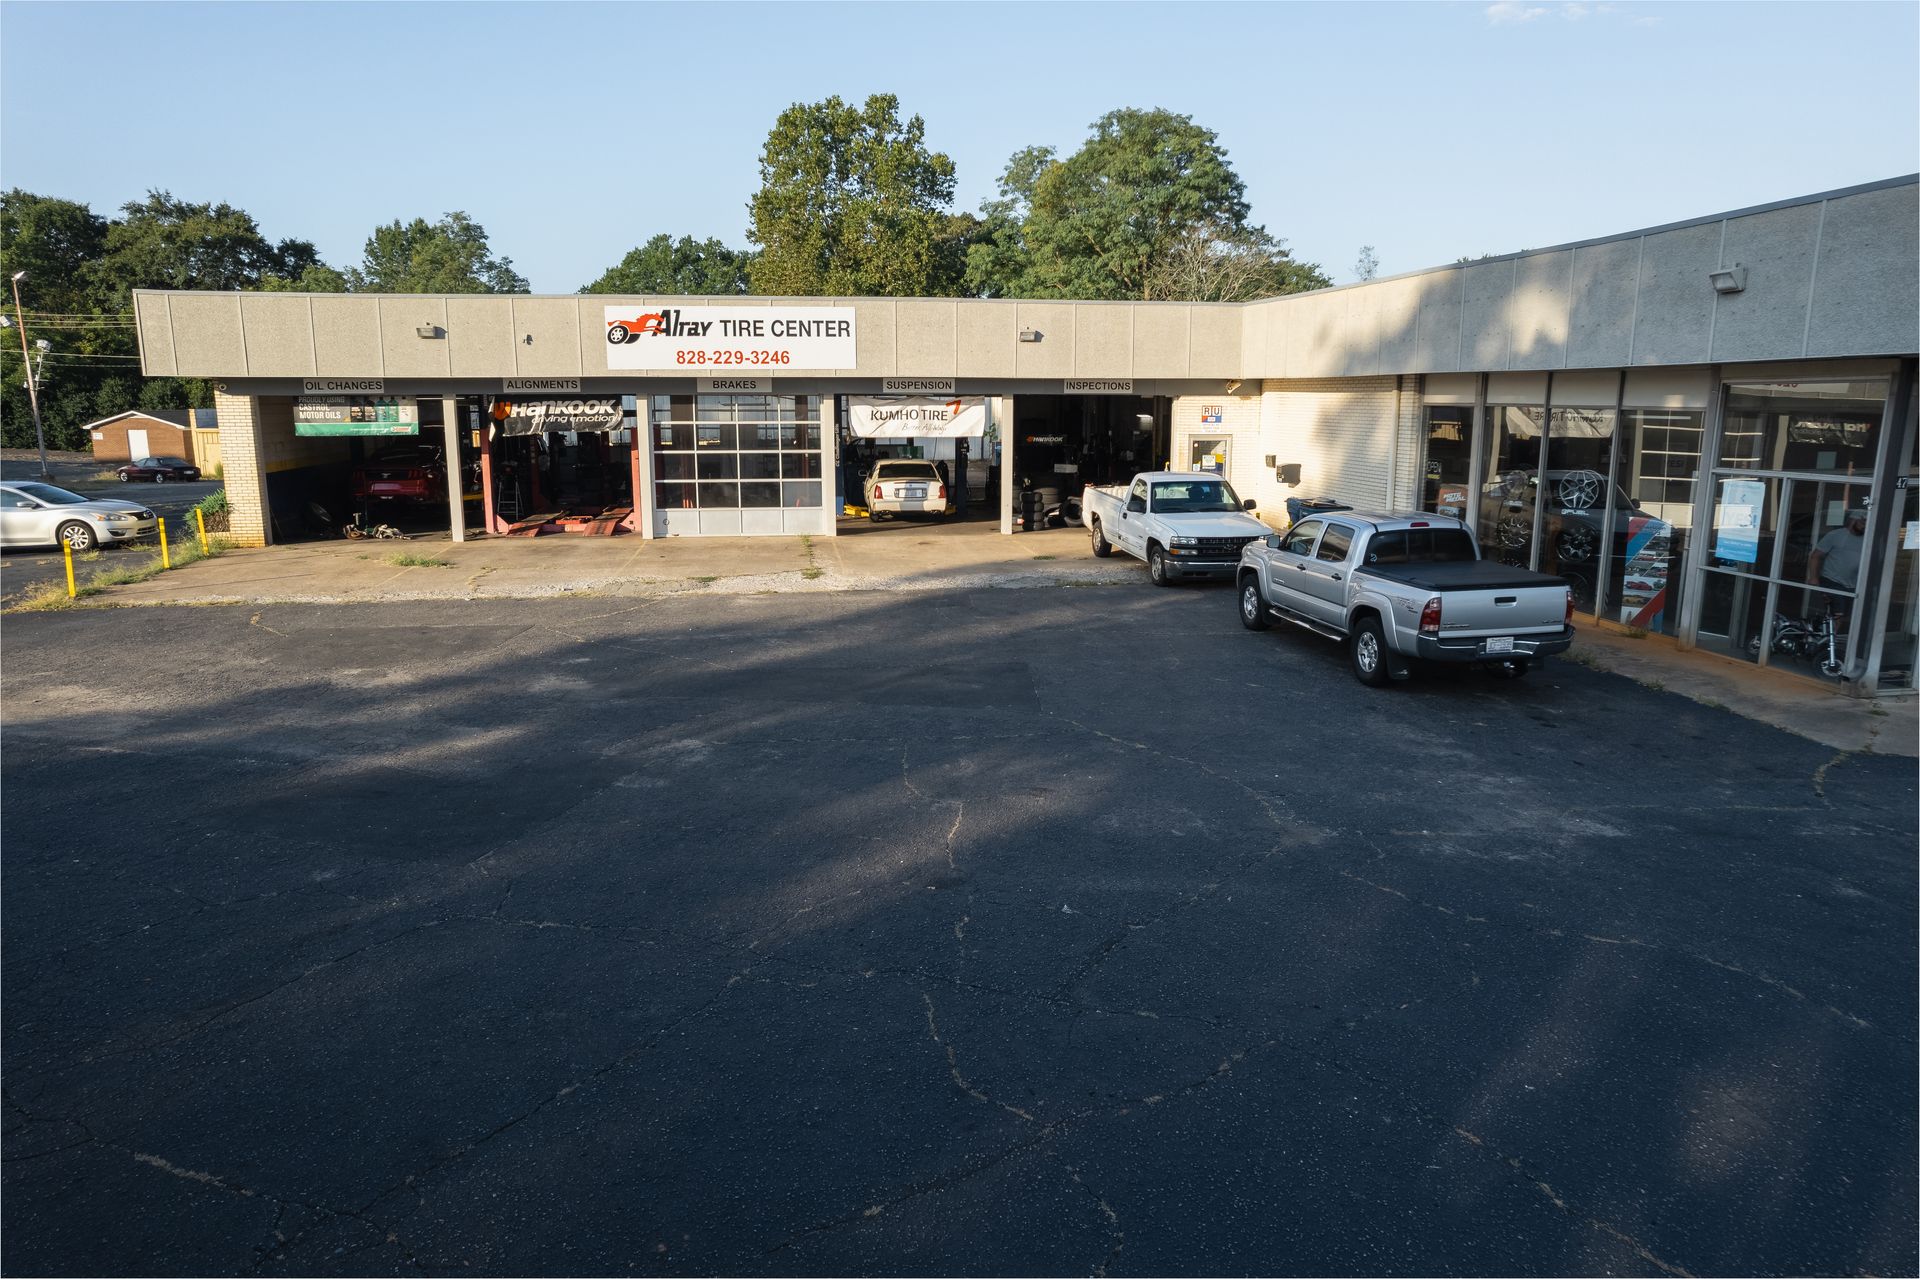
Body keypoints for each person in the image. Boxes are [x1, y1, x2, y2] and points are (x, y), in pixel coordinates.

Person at [1808, 508, 1869, 594]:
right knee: (1839, 606)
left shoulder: (1867, 539)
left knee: (1851, 607)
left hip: (1854, 585)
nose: (1865, 526)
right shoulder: (1836, 535)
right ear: (1852, 520)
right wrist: (1813, 578)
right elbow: (1815, 556)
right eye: (1862, 522)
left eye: (1867, 523)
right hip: (1832, 581)